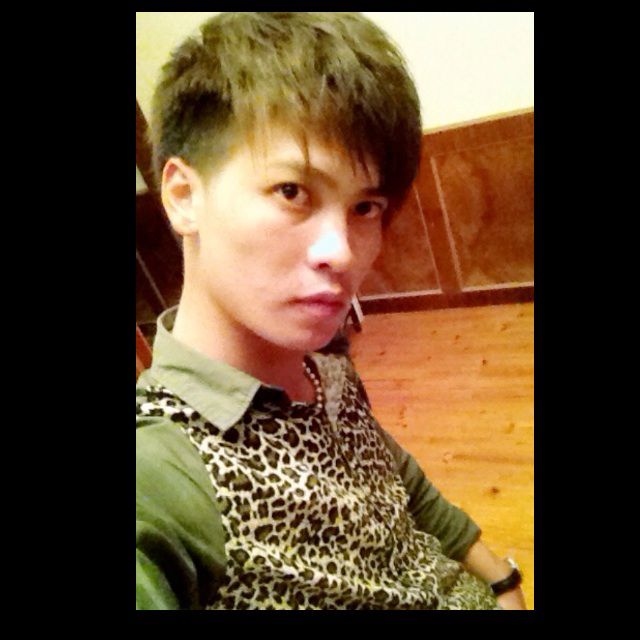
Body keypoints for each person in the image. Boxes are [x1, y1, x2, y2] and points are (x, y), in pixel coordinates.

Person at [136, 11, 527, 610]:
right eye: (292, 191)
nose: (342, 253)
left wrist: (501, 581)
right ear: (184, 196)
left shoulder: (325, 364)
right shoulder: (164, 476)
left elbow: (391, 472)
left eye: (365, 207)